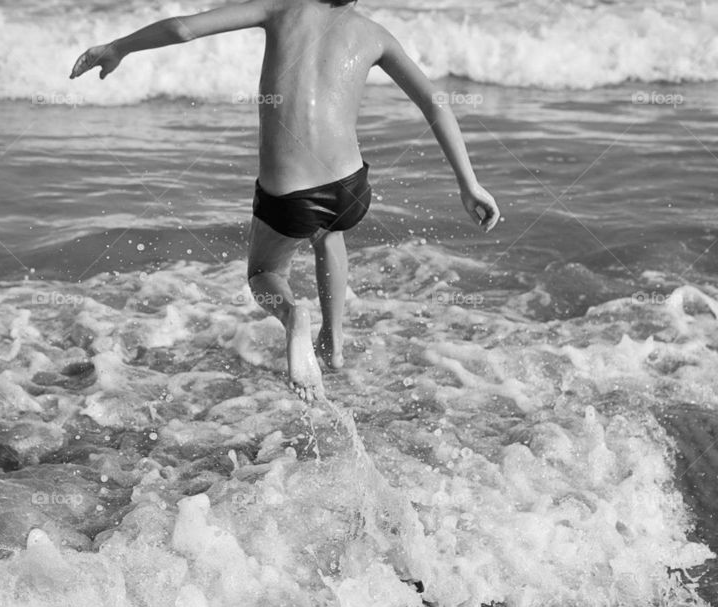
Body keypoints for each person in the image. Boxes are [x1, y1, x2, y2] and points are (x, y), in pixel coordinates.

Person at [70, 0, 501, 401]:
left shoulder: (280, 9)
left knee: (263, 272)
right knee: (329, 233)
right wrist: (469, 184)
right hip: (351, 188)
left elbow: (183, 29)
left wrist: (118, 47)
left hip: (291, 195)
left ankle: (295, 317)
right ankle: (333, 343)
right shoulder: (375, 34)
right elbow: (435, 103)